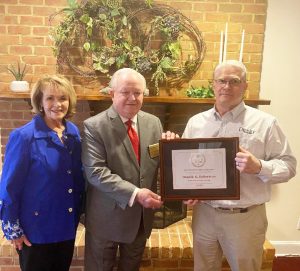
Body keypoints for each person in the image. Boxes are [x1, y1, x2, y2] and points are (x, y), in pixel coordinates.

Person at [183, 60, 297, 271]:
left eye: (234, 81)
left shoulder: (265, 123)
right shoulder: (195, 122)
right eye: (222, 81)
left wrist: (260, 167)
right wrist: (188, 191)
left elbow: (289, 166)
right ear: (213, 84)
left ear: (245, 86)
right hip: (204, 215)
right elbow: (188, 166)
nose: (227, 86)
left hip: (244, 218)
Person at [0, 75, 85, 271]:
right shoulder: (23, 137)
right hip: (35, 231)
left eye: (63, 98)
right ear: (40, 101)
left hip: (66, 225)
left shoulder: (73, 133)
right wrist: (13, 230)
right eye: (50, 98)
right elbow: (9, 187)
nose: (57, 104)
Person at [82, 68, 164, 271]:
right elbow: (96, 172)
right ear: (111, 93)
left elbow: (158, 163)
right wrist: (136, 194)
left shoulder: (153, 123)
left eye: (138, 92)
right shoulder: (94, 126)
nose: (132, 98)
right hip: (105, 219)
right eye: (125, 92)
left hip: (140, 220)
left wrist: (173, 149)